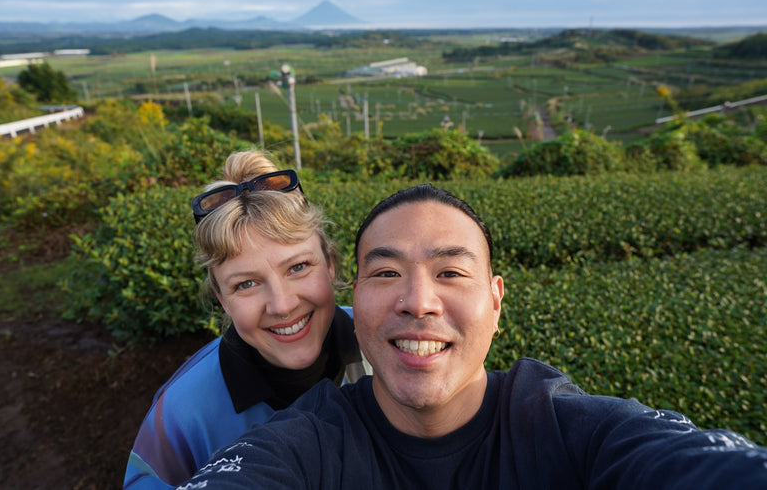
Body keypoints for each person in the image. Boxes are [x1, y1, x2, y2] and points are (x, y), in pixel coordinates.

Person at [178, 184, 767, 490]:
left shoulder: (571, 430)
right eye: (386, 273)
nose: (418, 300)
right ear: (359, 296)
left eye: (451, 272)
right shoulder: (293, 436)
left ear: (496, 299)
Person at [123, 151, 368, 489]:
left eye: (298, 267)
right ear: (222, 299)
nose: (282, 306)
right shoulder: (181, 416)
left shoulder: (394, 343)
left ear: (330, 264)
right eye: (246, 284)